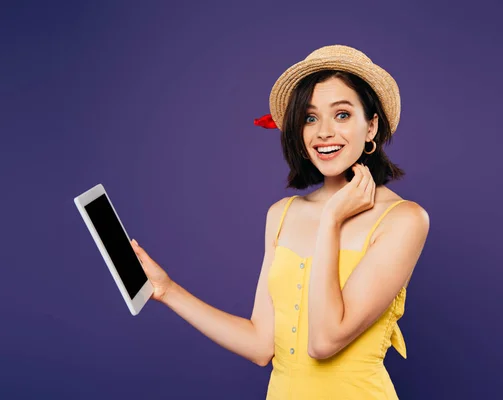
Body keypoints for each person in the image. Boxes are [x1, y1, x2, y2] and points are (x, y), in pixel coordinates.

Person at [130, 44, 430, 399]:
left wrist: (331, 219)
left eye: (343, 115)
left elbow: (324, 341)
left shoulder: (404, 220)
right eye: (310, 117)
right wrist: (167, 291)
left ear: (371, 127)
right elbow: (260, 345)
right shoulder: (282, 214)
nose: (324, 132)